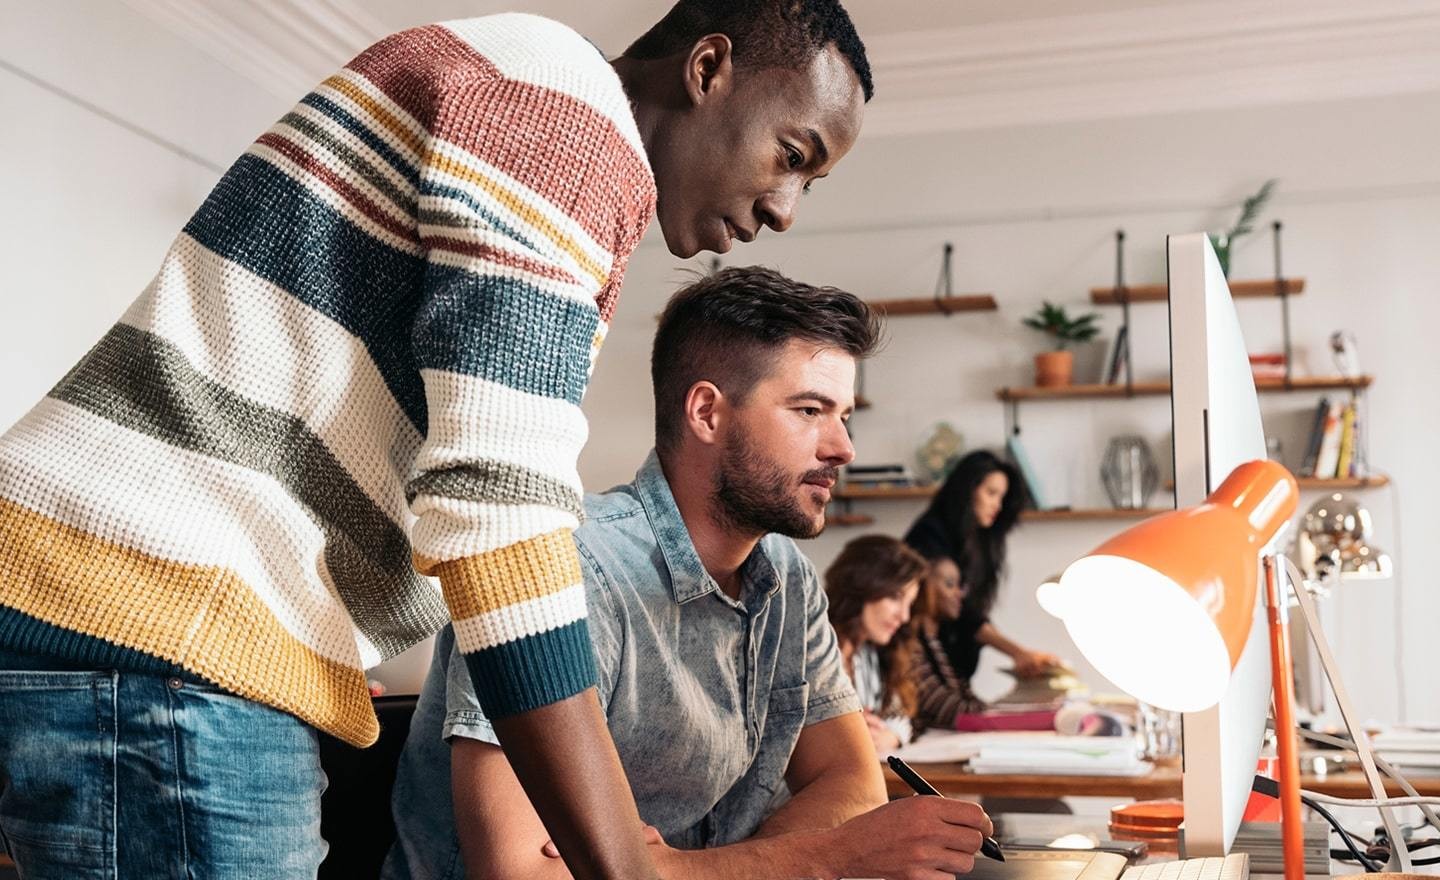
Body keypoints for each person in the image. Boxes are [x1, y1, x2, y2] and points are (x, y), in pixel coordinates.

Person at [0, 3, 873, 877]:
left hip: (167, 629)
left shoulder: (554, 119)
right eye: (791, 155)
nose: (786, 208)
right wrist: (629, 865)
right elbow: (497, 511)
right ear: (707, 68)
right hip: (170, 628)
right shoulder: (561, 113)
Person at [385, 267, 994, 880]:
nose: (843, 448)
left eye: (844, 416)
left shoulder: (789, 579)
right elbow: (520, 872)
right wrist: (830, 854)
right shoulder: (565, 570)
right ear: (707, 413)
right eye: (810, 410)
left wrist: (682, 871)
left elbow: (850, 780)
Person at [904, 451, 1061, 688]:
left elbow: (972, 615)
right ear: (966, 491)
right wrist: (1018, 652)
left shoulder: (978, 543)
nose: (997, 505)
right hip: (928, 675)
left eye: (1002, 497)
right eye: (991, 493)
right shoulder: (929, 538)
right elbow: (968, 617)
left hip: (957, 676)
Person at [825, 534, 928, 754]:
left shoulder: (869, 652)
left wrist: (890, 736)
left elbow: (902, 718)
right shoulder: (814, 651)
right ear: (863, 585)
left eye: (909, 603)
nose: (904, 616)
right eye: (895, 598)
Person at [910, 555, 988, 731]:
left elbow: (967, 700)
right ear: (925, 588)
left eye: (959, 586)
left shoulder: (940, 642)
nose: (959, 594)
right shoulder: (908, 645)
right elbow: (952, 711)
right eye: (949, 584)